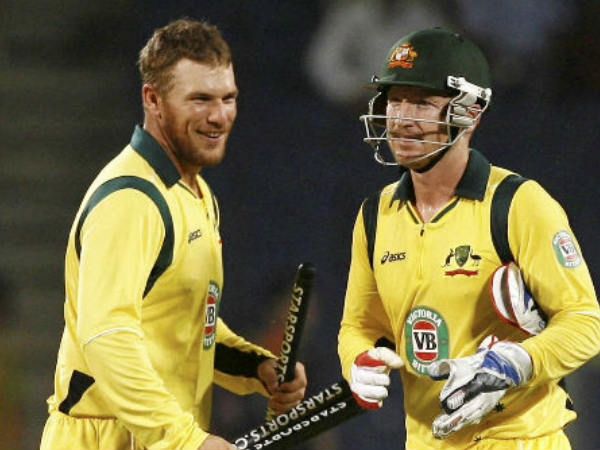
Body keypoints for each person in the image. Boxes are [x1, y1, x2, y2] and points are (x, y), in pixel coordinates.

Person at [40, 19, 307, 450]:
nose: (219, 116)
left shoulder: (195, 194)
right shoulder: (131, 199)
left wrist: (257, 368)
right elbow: (106, 337)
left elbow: (191, 328)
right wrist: (185, 440)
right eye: (200, 99)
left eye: (228, 98)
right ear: (153, 100)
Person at [338, 27, 600, 450]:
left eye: (422, 103)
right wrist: (358, 360)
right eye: (395, 100)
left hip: (521, 441)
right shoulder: (375, 214)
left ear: (471, 114)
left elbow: (585, 323)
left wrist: (516, 362)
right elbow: (360, 325)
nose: (400, 118)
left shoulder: (518, 204)